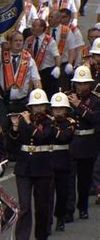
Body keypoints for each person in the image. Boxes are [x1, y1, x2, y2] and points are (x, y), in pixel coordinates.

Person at [9, 88, 54, 240]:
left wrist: (28, 123)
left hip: (42, 167)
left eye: (41, 105)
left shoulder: (49, 121)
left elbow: (42, 136)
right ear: (30, 107)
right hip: (24, 167)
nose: (38, 108)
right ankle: (22, 237)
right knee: (24, 206)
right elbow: (13, 146)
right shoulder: (22, 120)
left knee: (41, 207)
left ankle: (41, 236)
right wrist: (14, 129)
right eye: (35, 105)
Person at [65, 66, 100, 222]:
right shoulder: (66, 98)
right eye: (78, 83)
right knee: (69, 180)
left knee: (84, 181)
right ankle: (69, 209)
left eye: (84, 83)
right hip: (71, 143)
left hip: (87, 144)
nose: (81, 86)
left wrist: (79, 105)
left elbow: (96, 119)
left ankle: (83, 207)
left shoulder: (95, 100)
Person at [48, 91, 75, 232]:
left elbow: (64, 137)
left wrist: (51, 128)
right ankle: (48, 222)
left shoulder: (70, 123)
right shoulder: (47, 122)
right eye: (55, 109)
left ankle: (61, 217)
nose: (57, 111)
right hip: (48, 161)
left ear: (66, 110)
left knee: (62, 193)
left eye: (60, 108)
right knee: (47, 194)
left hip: (63, 161)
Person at [24, 19, 61, 98]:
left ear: (41, 28)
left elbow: (57, 56)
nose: (32, 28)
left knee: (47, 95)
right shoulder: (28, 40)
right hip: (32, 72)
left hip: (46, 72)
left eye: (34, 26)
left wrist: (57, 67)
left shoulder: (50, 41)